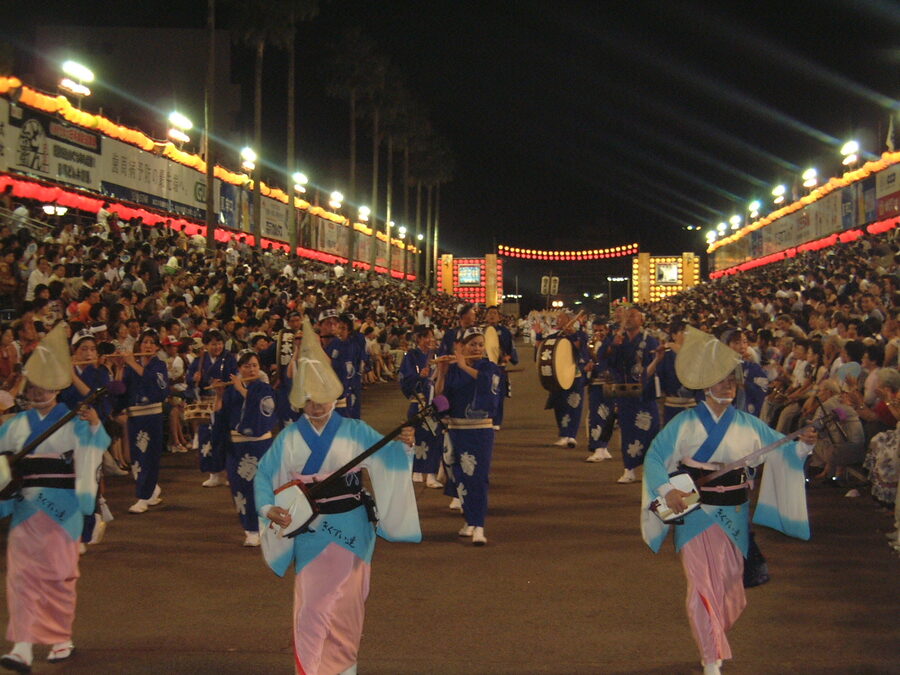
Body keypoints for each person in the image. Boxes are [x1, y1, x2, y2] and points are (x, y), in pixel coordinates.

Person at [641, 327, 816, 675]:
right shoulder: (685, 424)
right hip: (696, 515)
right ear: (706, 386)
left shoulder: (749, 424)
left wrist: (805, 443)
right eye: (721, 382)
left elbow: (783, 450)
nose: (728, 387)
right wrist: (668, 490)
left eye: (731, 382)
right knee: (701, 586)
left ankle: (713, 639)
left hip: (736, 515)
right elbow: (654, 458)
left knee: (730, 587)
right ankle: (711, 658)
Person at [254, 318, 420, 675]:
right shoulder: (289, 439)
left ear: (335, 396)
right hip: (311, 531)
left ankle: (344, 669)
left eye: (323, 399)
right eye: (310, 401)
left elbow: (386, 458)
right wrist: (269, 507)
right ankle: (311, 670)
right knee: (312, 605)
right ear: (300, 400)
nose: (317, 407)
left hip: (352, 527)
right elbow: (265, 476)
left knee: (347, 604)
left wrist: (402, 446)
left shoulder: (356, 430)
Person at [0, 325, 110, 671]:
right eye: (32, 386)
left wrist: (94, 426)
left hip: (62, 507)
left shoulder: (74, 421)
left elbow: (93, 451)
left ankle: (61, 637)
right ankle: (22, 645)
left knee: (59, 574)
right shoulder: (14, 425)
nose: (36, 391)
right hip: (26, 505)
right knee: (21, 575)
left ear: (57, 388)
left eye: (44, 386)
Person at [435, 326, 502, 545]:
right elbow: (440, 398)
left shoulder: (490, 368)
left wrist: (463, 365)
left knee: (478, 477)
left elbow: (488, 387)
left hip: (480, 430)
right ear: (461, 347)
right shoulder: (453, 369)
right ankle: (470, 520)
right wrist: (442, 373)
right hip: (456, 429)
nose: (477, 348)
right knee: (460, 477)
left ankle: (479, 526)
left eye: (480, 344)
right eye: (472, 344)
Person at [212, 350, 277, 547]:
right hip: (237, 446)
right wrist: (219, 395)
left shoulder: (265, 388)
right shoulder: (231, 389)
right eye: (246, 366)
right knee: (240, 487)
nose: (251, 369)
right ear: (239, 369)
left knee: (263, 487)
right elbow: (220, 417)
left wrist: (242, 390)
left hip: (260, 445)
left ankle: (266, 523)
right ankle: (250, 529)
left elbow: (267, 409)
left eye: (254, 365)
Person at [606, 307, 660, 483]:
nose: (628, 319)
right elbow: (610, 363)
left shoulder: (649, 341)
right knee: (627, 429)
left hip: (645, 394)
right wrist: (614, 346)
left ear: (641, 320)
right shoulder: (618, 340)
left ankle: (650, 468)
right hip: (625, 392)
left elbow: (653, 366)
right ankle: (628, 468)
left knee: (649, 430)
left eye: (633, 316)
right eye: (626, 316)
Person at [121, 330, 169, 514]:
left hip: (152, 416)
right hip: (135, 415)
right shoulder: (131, 366)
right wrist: (120, 367)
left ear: (156, 347)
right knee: (137, 457)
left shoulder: (159, 365)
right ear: (139, 345)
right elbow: (122, 389)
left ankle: (143, 496)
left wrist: (132, 363)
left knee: (149, 456)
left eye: (152, 342)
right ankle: (151, 489)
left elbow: (160, 390)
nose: (147, 345)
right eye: (144, 342)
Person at [186, 329, 238, 487]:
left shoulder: (229, 358)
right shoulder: (199, 360)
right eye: (214, 344)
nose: (217, 347)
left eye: (220, 343)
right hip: (206, 404)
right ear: (206, 345)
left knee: (225, 437)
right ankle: (214, 473)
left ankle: (228, 472)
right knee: (207, 437)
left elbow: (235, 377)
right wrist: (194, 379)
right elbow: (189, 379)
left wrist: (224, 386)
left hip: (224, 402)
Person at [399, 325, 444, 488]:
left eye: (431, 336)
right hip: (418, 401)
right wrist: (419, 377)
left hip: (434, 402)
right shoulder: (411, 355)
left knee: (435, 436)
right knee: (416, 437)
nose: (430, 340)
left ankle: (431, 474)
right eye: (426, 337)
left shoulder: (438, 355)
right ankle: (416, 470)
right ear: (418, 339)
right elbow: (405, 377)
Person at [484, 305, 518, 430]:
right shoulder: (480, 330)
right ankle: (486, 418)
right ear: (485, 316)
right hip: (483, 366)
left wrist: (508, 357)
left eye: (494, 313)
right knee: (484, 392)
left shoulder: (504, 331)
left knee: (498, 393)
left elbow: (510, 349)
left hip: (499, 367)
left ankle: (496, 420)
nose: (492, 315)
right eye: (489, 313)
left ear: (499, 317)